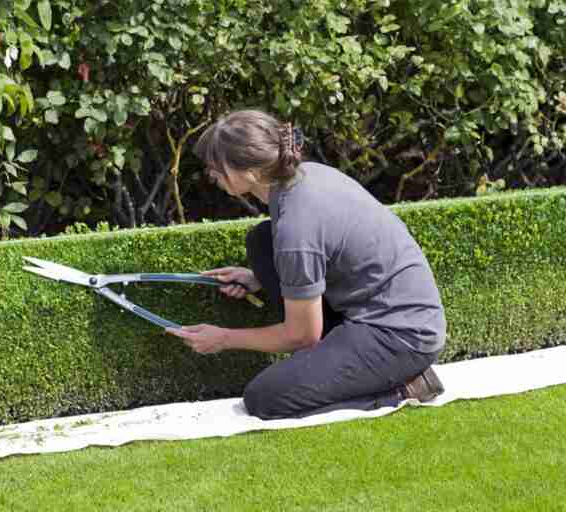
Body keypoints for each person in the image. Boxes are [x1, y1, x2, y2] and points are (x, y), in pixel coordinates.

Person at [165, 110, 446, 420]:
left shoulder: (296, 226)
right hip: (384, 310)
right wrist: (257, 278)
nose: (211, 175)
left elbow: (302, 335)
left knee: (265, 398)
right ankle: (338, 364)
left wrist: (224, 338)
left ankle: (404, 388)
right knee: (261, 242)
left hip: (400, 335)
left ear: (246, 169)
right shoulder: (305, 176)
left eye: (215, 168)